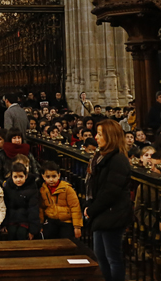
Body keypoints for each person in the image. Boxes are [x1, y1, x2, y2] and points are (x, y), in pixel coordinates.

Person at [84, 119, 131, 281]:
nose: (96, 137)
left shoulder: (118, 159)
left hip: (112, 214)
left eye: (100, 134)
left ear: (110, 136)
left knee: (113, 257)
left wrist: (91, 210)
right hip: (101, 214)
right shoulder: (101, 157)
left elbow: (110, 192)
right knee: (101, 255)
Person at [40, 161, 82, 239]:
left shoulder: (67, 189)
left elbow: (75, 207)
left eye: (54, 176)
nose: (51, 180)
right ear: (43, 177)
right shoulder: (43, 190)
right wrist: (40, 224)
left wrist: (77, 227)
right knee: (50, 241)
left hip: (66, 221)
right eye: (48, 177)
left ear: (59, 175)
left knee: (66, 242)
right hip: (51, 220)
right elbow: (41, 208)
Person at [2, 162, 40, 240]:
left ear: (25, 176)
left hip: (25, 220)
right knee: (10, 234)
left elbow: (33, 209)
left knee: (21, 234)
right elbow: (5, 206)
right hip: (12, 219)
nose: (18, 179)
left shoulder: (32, 188)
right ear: (11, 177)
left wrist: (33, 230)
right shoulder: (8, 187)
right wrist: (4, 224)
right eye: (15, 177)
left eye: (21, 176)